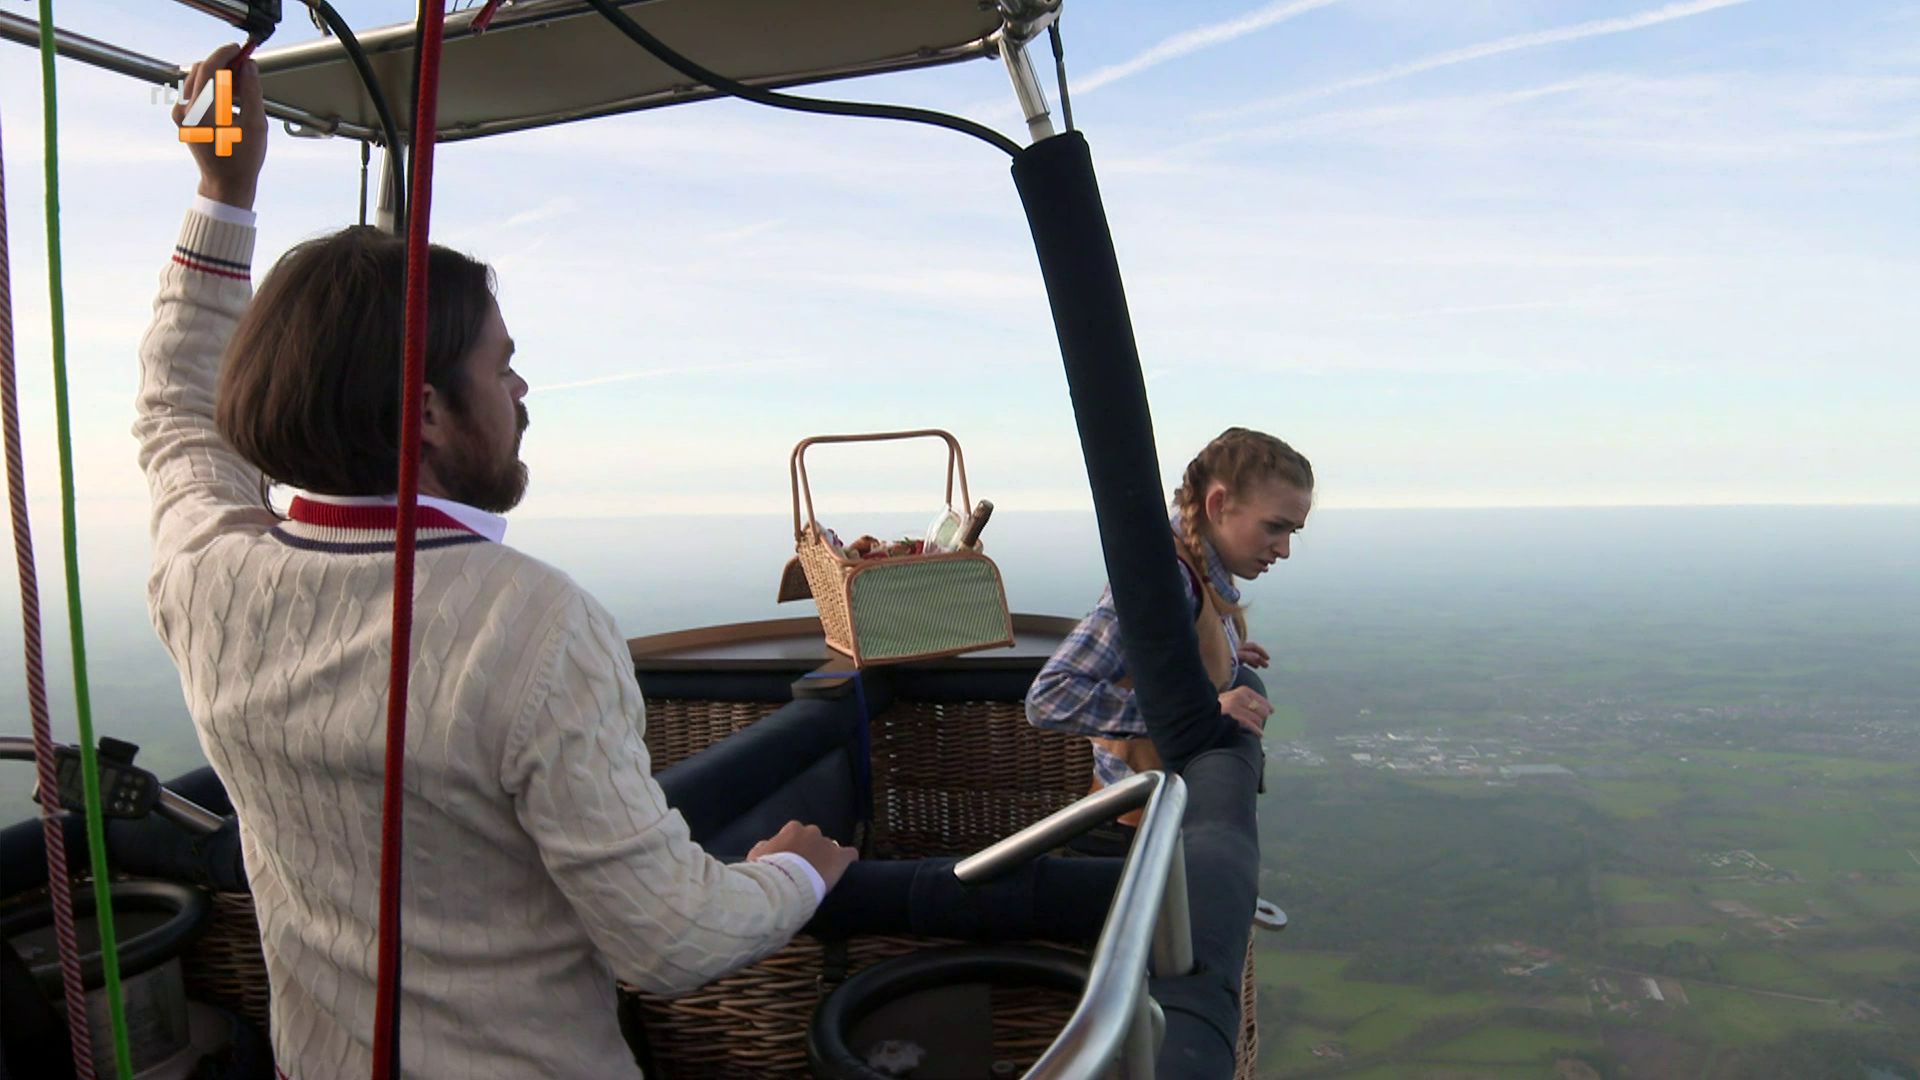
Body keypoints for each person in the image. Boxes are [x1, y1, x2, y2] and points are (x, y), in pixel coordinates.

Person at [141, 46, 855, 1078]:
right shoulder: (536, 626)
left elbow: (177, 418)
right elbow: (669, 940)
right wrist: (797, 872)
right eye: (503, 366)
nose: (522, 393)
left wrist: (223, 186)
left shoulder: (209, 579)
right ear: (428, 412)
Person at [1026, 427, 1313, 819]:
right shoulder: (1164, 578)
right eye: (1274, 527)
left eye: (1292, 531)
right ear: (1218, 504)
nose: (1284, 549)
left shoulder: (1204, 562)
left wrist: (1221, 652)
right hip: (1129, 829)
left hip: (1157, 817)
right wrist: (1199, 712)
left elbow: (1160, 652)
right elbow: (1050, 697)